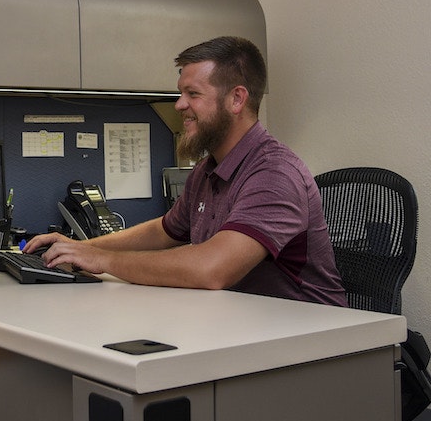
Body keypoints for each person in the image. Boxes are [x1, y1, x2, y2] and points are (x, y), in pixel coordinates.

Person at [25, 36, 347, 306]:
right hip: (242, 324)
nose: (179, 105)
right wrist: (82, 248)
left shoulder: (275, 174)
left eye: (193, 94)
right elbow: (162, 232)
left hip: (308, 342)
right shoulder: (208, 170)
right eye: (181, 93)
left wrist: (102, 261)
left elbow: (212, 269)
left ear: (237, 99)